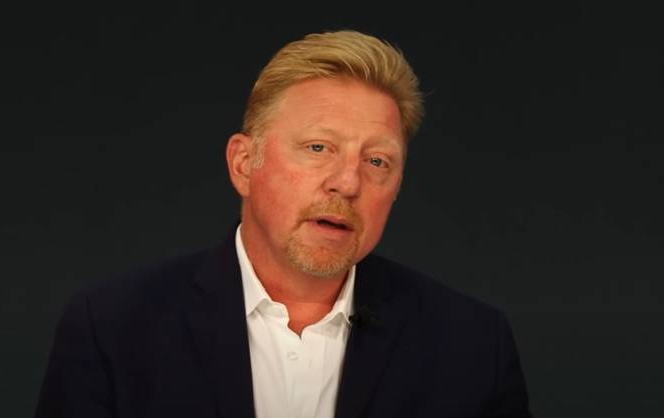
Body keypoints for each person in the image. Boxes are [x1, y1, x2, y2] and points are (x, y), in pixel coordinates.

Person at [35, 30, 532, 418]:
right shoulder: (113, 329)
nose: (348, 183)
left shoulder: (472, 345)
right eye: (318, 148)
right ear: (243, 164)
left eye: (377, 161)